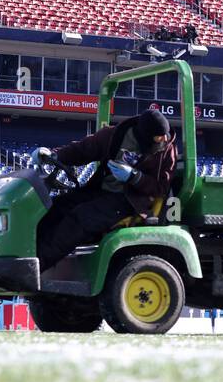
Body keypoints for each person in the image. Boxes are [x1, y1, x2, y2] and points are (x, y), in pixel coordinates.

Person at [35, 110, 178, 272]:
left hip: (130, 200)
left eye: (165, 135)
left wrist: (135, 177)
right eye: (159, 137)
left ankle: (39, 263)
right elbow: (83, 149)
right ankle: (27, 253)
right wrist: (55, 155)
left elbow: (161, 187)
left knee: (81, 217)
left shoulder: (166, 150)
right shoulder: (117, 135)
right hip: (102, 190)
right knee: (58, 206)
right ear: (145, 134)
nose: (164, 139)